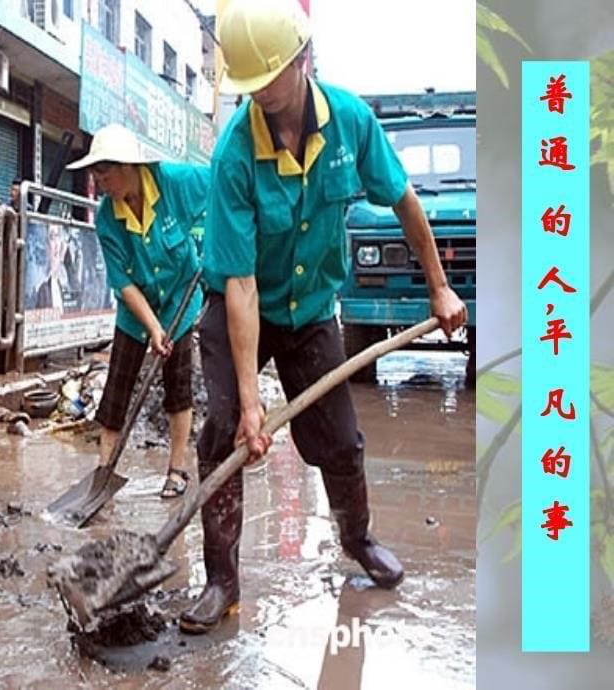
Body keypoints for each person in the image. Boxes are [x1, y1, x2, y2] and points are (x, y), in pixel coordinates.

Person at [179, 0, 468, 634]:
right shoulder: (234, 154)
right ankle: (222, 579)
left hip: (311, 312)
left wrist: (440, 288)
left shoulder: (351, 121)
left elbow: (404, 199)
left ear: (299, 60)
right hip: (238, 305)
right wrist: (252, 405)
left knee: (339, 440)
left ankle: (357, 539)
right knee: (223, 428)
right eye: (247, 85)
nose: (257, 96)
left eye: (267, 82)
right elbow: (242, 284)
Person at [66, 124, 208, 498]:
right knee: (118, 387)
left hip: (180, 297)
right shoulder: (107, 218)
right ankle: (104, 471)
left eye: (105, 173)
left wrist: (220, 233)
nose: (100, 184)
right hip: (136, 308)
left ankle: (177, 470)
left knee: (178, 387)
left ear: (128, 166)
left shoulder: (175, 183)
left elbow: (224, 187)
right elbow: (124, 283)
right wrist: (152, 328)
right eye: (95, 175)